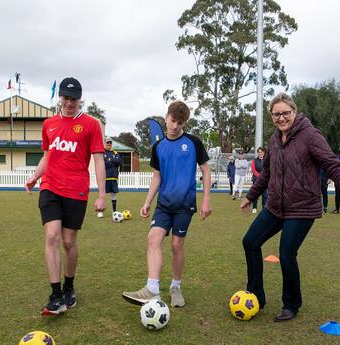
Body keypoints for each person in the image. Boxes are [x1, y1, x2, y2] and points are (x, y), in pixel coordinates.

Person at [240, 93, 340, 322]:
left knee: (286, 253)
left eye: (285, 113)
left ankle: (291, 304)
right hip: (276, 206)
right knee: (250, 242)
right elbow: (267, 172)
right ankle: (256, 295)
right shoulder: (274, 140)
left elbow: (333, 165)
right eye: (276, 114)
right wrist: (251, 196)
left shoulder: (310, 136)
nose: (281, 118)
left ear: (294, 112)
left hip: (302, 207)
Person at [25, 77, 106, 316]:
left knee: (68, 242)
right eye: (66, 98)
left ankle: (69, 287)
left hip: (76, 189)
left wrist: (101, 195)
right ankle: (56, 295)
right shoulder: (49, 123)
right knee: (51, 236)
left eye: (74, 99)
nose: (69, 103)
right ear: (60, 98)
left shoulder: (91, 124)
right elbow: (47, 155)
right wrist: (35, 177)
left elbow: (98, 160)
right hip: (50, 186)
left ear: (80, 99)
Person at [122, 100, 212, 308]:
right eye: (172, 121)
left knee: (176, 245)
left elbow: (205, 170)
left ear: (184, 123)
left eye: (180, 123)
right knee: (153, 237)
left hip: (185, 204)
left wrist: (206, 200)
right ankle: (152, 290)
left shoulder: (193, 142)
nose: (175, 126)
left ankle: (175, 287)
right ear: (166, 117)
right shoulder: (158, 146)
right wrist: (147, 202)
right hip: (163, 204)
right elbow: (156, 177)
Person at [99, 137, 122, 218]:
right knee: (103, 194)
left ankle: (114, 211)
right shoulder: (102, 152)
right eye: (107, 142)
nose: (109, 144)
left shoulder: (115, 153)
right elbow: (104, 163)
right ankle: (100, 211)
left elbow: (118, 162)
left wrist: (109, 160)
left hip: (113, 177)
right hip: (105, 177)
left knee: (114, 194)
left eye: (110, 143)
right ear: (105, 143)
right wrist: (112, 161)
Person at [250, 147, 268, 214]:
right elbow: (253, 170)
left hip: (265, 181)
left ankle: (264, 208)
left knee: (265, 196)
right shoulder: (254, 161)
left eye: (261, 152)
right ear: (258, 153)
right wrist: (260, 176)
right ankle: (254, 208)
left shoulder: (267, 160)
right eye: (259, 152)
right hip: (256, 180)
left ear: (264, 153)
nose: (260, 153)